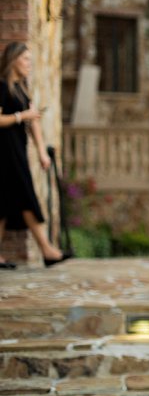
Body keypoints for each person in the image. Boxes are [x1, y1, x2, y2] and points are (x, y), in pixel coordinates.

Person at [0, 42, 70, 269]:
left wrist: (41, 151)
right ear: (13, 60)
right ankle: (47, 250)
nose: (30, 64)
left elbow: (34, 122)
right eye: (26, 59)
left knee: (9, 201)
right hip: (4, 151)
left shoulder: (22, 87)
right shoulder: (2, 87)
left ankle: (47, 250)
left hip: (17, 149)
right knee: (24, 198)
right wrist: (21, 116)